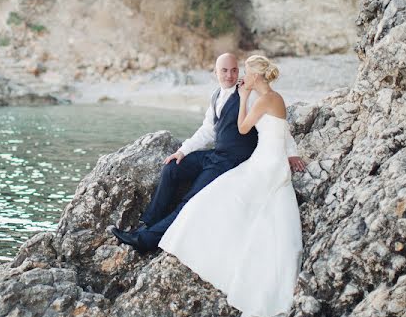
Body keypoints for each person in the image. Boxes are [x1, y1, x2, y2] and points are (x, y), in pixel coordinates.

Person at [110, 53, 303, 253]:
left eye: (234, 70)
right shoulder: (215, 96)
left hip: (232, 161)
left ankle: (146, 240)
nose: (230, 75)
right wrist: (182, 151)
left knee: (191, 198)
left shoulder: (251, 94)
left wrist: (291, 152)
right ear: (215, 73)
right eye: (224, 70)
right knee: (172, 168)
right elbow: (207, 130)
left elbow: (277, 124)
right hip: (214, 154)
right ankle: (149, 222)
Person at [159, 55, 303, 317]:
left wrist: (245, 97)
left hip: (266, 163)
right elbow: (280, 130)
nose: (241, 78)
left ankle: (210, 248)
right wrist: (290, 153)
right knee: (214, 192)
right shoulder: (276, 98)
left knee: (219, 199)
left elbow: (242, 126)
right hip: (268, 159)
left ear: (256, 77)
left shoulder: (262, 100)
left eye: (245, 73)